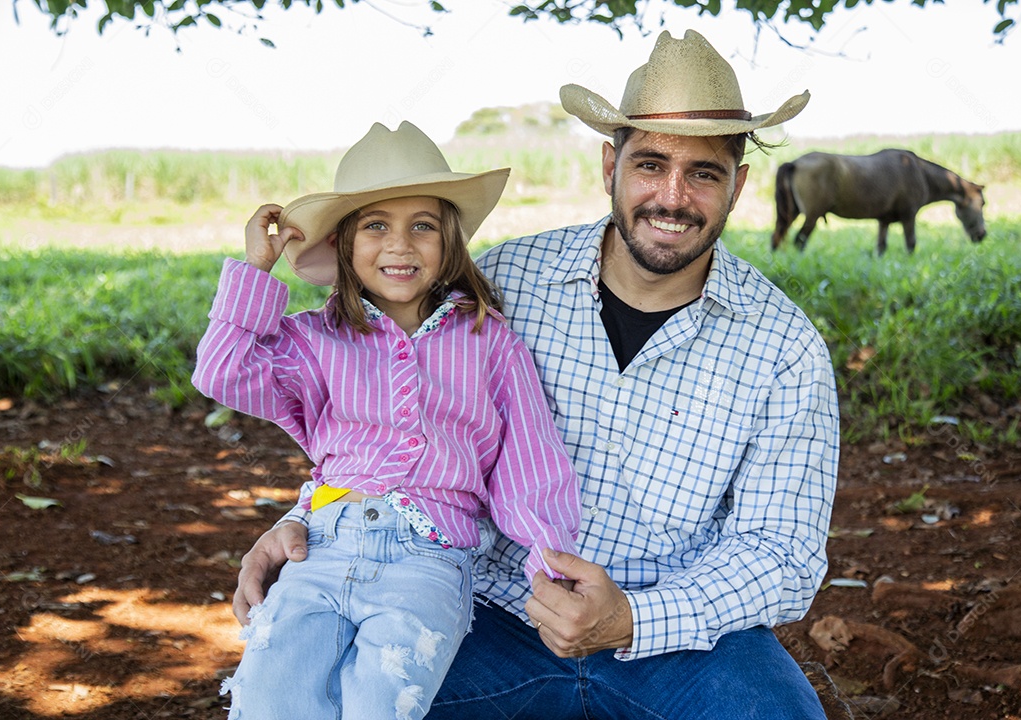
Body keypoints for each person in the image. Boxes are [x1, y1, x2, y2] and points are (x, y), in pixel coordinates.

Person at [232, 29, 840, 719]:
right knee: (332, 691)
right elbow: (384, 414)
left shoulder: (784, 346)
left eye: (703, 172)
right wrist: (308, 518)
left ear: (740, 183)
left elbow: (783, 553)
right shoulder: (503, 287)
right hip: (485, 609)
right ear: (609, 163)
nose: (672, 197)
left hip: (679, 640)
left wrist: (636, 619)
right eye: (650, 165)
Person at [192, 120, 581, 720]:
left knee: (382, 702)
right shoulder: (313, 338)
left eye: (422, 226)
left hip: (428, 559)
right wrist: (256, 268)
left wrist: (547, 564)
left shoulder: (488, 340)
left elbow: (528, 464)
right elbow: (222, 374)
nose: (400, 245)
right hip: (317, 547)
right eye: (376, 225)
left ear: (449, 242)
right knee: (271, 695)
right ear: (344, 243)